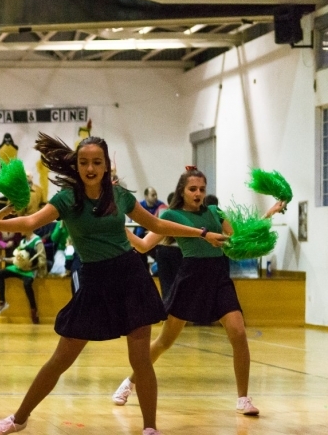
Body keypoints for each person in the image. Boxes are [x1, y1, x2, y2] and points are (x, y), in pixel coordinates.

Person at [0, 134, 227, 435]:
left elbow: (158, 226)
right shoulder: (67, 199)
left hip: (130, 278)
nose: (90, 168)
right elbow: (31, 222)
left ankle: (150, 428)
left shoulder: (119, 195)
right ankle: (18, 419)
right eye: (84, 162)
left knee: (141, 360)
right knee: (60, 360)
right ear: (77, 166)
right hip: (95, 282)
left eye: (97, 162)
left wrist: (202, 233)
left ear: (106, 165)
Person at [114, 166, 285, 415]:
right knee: (164, 342)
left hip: (219, 277)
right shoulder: (171, 215)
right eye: (192, 189)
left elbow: (240, 238)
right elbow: (142, 246)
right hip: (191, 279)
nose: (198, 194)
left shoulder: (215, 212)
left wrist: (268, 214)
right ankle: (129, 383)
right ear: (182, 191)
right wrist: (116, 226)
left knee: (238, 333)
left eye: (202, 189)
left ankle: (243, 398)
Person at [0, 228, 44, 324]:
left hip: (30, 270)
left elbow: (42, 260)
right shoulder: (23, 242)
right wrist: (3, 259)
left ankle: (34, 310)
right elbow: (17, 259)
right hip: (19, 268)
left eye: (22, 228)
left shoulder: (37, 241)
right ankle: (2, 301)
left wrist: (30, 266)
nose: (20, 230)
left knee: (27, 284)